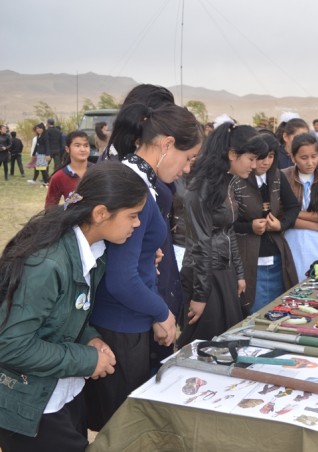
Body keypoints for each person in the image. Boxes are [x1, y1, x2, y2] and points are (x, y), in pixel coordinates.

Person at [0, 163, 148, 452]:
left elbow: (62, 317)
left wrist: (89, 337)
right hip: (31, 408)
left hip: (63, 395)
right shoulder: (48, 263)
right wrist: (87, 360)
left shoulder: (92, 253)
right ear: (101, 213)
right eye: (133, 215)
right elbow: (11, 345)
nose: (137, 224)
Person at [84, 101, 202, 431]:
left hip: (127, 320)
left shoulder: (138, 180)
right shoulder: (135, 188)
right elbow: (122, 279)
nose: (187, 169)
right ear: (166, 145)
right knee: (122, 430)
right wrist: (161, 313)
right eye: (187, 158)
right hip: (121, 325)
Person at [178, 124, 266, 346]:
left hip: (222, 274)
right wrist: (200, 295)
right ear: (232, 155)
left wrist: (238, 272)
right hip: (205, 276)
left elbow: (229, 230)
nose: (254, 166)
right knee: (206, 344)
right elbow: (199, 244)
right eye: (251, 159)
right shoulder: (200, 189)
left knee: (227, 342)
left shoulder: (225, 183)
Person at [233, 132, 300, 313]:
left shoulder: (277, 176)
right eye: (261, 157)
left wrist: (281, 224)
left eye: (271, 156)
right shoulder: (237, 179)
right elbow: (228, 222)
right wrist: (250, 227)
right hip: (249, 257)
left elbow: (294, 206)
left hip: (277, 254)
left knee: (280, 309)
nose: (266, 162)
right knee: (254, 310)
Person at [282, 133, 318, 282]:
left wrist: (297, 213)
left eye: (314, 156)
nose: (310, 162)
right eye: (304, 158)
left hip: (317, 240)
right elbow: (282, 216)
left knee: (316, 278)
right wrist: (315, 226)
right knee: (295, 279)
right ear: (293, 158)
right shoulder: (284, 176)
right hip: (292, 235)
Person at [45, 131, 92, 209]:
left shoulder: (98, 172)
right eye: (77, 146)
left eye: (86, 145)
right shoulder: (58, 177)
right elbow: (50, 207)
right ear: (67, 149)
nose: (83, 149)